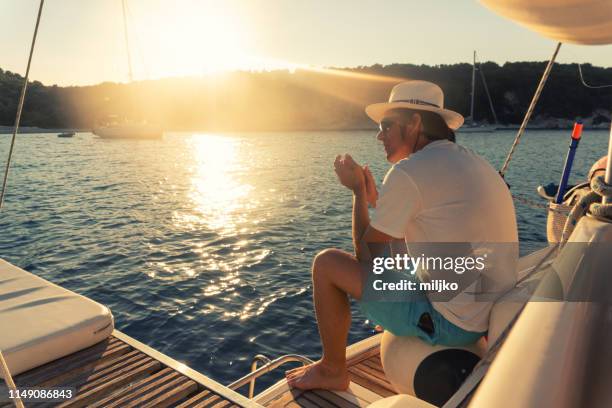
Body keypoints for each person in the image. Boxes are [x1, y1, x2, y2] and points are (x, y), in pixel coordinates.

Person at [286, 80, 518, 391]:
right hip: (487, 314)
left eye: (386, 125)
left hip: (455, 323)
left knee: (327, 264)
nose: (379, 135)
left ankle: (332, 370)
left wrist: (357, 192)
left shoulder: (410, 171)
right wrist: (375, 204)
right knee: (400, 263)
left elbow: (366, 259)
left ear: (415, 124)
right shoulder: (471, 161)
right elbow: (410, 237)